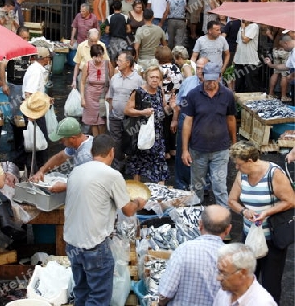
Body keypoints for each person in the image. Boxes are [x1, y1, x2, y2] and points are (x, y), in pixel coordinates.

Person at [64, 134, 147, 306]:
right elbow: (128, 211)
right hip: (93, 245)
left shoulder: (76, 171)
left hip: (72, 244)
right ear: (111, 152)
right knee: (99, 297)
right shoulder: (111, 174)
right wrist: (139, 202)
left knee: (81, 292)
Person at [228, 141, 295, 304]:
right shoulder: (242, 174)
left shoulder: (273, 173)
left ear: (250, 161)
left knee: (270, 285)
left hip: (272, 238)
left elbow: (291, 201)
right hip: (249, 237)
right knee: (246, 282)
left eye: (238, 164)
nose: (236, 168)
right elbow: (232, 200)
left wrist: (265, 213)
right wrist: (244, 211)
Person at [182, 62, 237, 206]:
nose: (210, 83)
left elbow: (231, 119)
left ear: (219, 77)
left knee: (220, 187)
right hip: (198, 149)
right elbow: (187, 123)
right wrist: (184, 150)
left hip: (221, 149)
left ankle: (223, 220)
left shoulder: (227, 95)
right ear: (202, 77)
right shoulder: (193, 95)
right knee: (197, 186)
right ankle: (195, 217)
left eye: (213, 80)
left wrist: (234, 143)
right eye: (207, 80)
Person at [158, 205, 232, 306]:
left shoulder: (184, 250)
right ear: (228, 229)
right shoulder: (233, 259)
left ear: (200, 225)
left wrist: (160, 304)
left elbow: (165, 293)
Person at [124, 65, 170, 183]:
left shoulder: (160, 91)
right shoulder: (138, 92)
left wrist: (171, 107)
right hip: (141, 133)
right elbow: (127, 110)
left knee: (160, 163)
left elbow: (164, 109)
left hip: (157, 135)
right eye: (152, 77)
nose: (154, 80)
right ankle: (138, 190)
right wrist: (142, 112)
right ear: (146, 78)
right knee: (139, 163)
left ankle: (160, 193)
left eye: (157, 77)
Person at [171, 57, 208, 190]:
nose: (199, 71)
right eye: (197, 68)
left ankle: (201, 186)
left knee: (203, 153)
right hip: (185, 118)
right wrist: (175, 119)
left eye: (202, 68)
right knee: (183, 150)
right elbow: (178, 103)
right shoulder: (188, 82)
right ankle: (182, 184)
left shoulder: (212, 83)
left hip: (203, 121)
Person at [31, 117, 94, 192]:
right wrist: (41, 171)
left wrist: (65, 186)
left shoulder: (86, 155)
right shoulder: (78, 142)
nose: (61, 142)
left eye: (62, 140)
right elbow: (60, 157)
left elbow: (86, 183)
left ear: (72, 138)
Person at [0, 26, 31, 169]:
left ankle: (24, 140)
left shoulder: (29, 49)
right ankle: (16, 141)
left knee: (25, 114)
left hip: (26, 86)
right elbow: (1, 66)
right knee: (15, 114)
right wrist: (4, 84)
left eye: (27, 38)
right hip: (14, 85)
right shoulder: (11, 49)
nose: (25, 40)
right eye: (23, 37)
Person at [107, 51, 143, 171]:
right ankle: (118, 163)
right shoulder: (114, 78)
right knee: (115, 141)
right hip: (115, 117)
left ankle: (131, 164)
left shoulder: (137, 80)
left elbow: (140, 99)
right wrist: (111, 111)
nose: (117, 63)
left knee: (129, 141)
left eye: (120, 61)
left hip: (130, 118)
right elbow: (110, 96)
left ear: (128, 63)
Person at [213, 243, 278, 306]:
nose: (218, 278)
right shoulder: (224, 291)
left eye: (224, 273)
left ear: (243, 273)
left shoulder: (263, 303)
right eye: (219, 272)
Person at [155, 46, 183, 160]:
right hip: (176, 101)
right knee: (173, 126)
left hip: (164, 103)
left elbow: (159, 87)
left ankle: (165, 151)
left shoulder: (159, 70)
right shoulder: (176, 68)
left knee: (163, 127)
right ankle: (173, 149)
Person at [81, 44, 113, 137]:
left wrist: (110, 95)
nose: (99, 59)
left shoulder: (107, 64)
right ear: (92, 56)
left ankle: (101, 139)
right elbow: (82, 82)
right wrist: (82, 98)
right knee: (93, 121)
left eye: (101, 56)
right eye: (96, 56)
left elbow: (113, 81)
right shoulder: (87, 65)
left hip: (104, 95)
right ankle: (95, 140)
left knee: (102, 120)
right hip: (90, 96)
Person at [20, 91, 51, 172]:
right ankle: (38, 169)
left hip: (32, 109)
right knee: (38, 152)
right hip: (34, 110)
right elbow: (28, 93)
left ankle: (32, 169)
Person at [233, 20, 260, 93]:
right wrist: (235, 58)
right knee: (238, 85)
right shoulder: (241, 28)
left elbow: (245, 40)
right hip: (239, 60)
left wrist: (242, 28)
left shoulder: (254, 26)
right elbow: (238, 43)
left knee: (251, 85)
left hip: (250, 60)